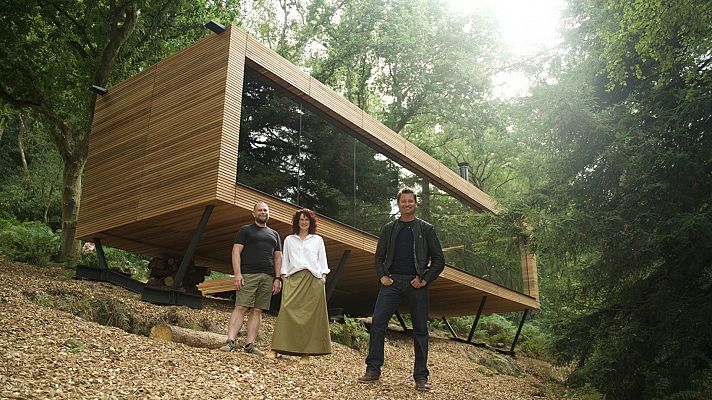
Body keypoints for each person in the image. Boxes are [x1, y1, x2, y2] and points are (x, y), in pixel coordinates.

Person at [357, 188, 445, 392]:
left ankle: (421, 377)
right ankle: (373, 370)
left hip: (417, 284)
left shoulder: (426, 229)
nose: (406, 204)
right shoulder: (389, 228)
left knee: (421, 330)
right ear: (398, 204)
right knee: (378, 323)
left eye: (410, 201)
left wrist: (424, 280)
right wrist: (382, 277)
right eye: (403, 201)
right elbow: (378, 257)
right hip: (392, 283)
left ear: (415, 204)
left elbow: (439, 260)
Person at [266, 208, 332, 364]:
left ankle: (305, 352)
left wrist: (322, 278)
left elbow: (322, 261)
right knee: (286, 311)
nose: (304, 222)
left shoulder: (317, 240)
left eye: (306, 220)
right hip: (293, 279)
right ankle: (276, 348)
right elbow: (285, 260)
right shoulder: (289, 239)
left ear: (311, 222)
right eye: (301, 219)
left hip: (313, 280)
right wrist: (284, 278)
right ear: (297, 222)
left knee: (309, 317)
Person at [220, 201, 282, 356]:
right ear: (254, 214)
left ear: (269, 213)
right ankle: (230, 342)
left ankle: (249, 345)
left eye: (265, 210)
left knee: (257, 310)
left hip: (268, 277)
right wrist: (237, 274)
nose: (263, 212)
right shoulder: (245, 230)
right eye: (259, 210)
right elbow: (236, 252)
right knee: (241, 306)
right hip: (248, 274)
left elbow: (278, 257)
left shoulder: (275, 234)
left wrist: (278, 278)